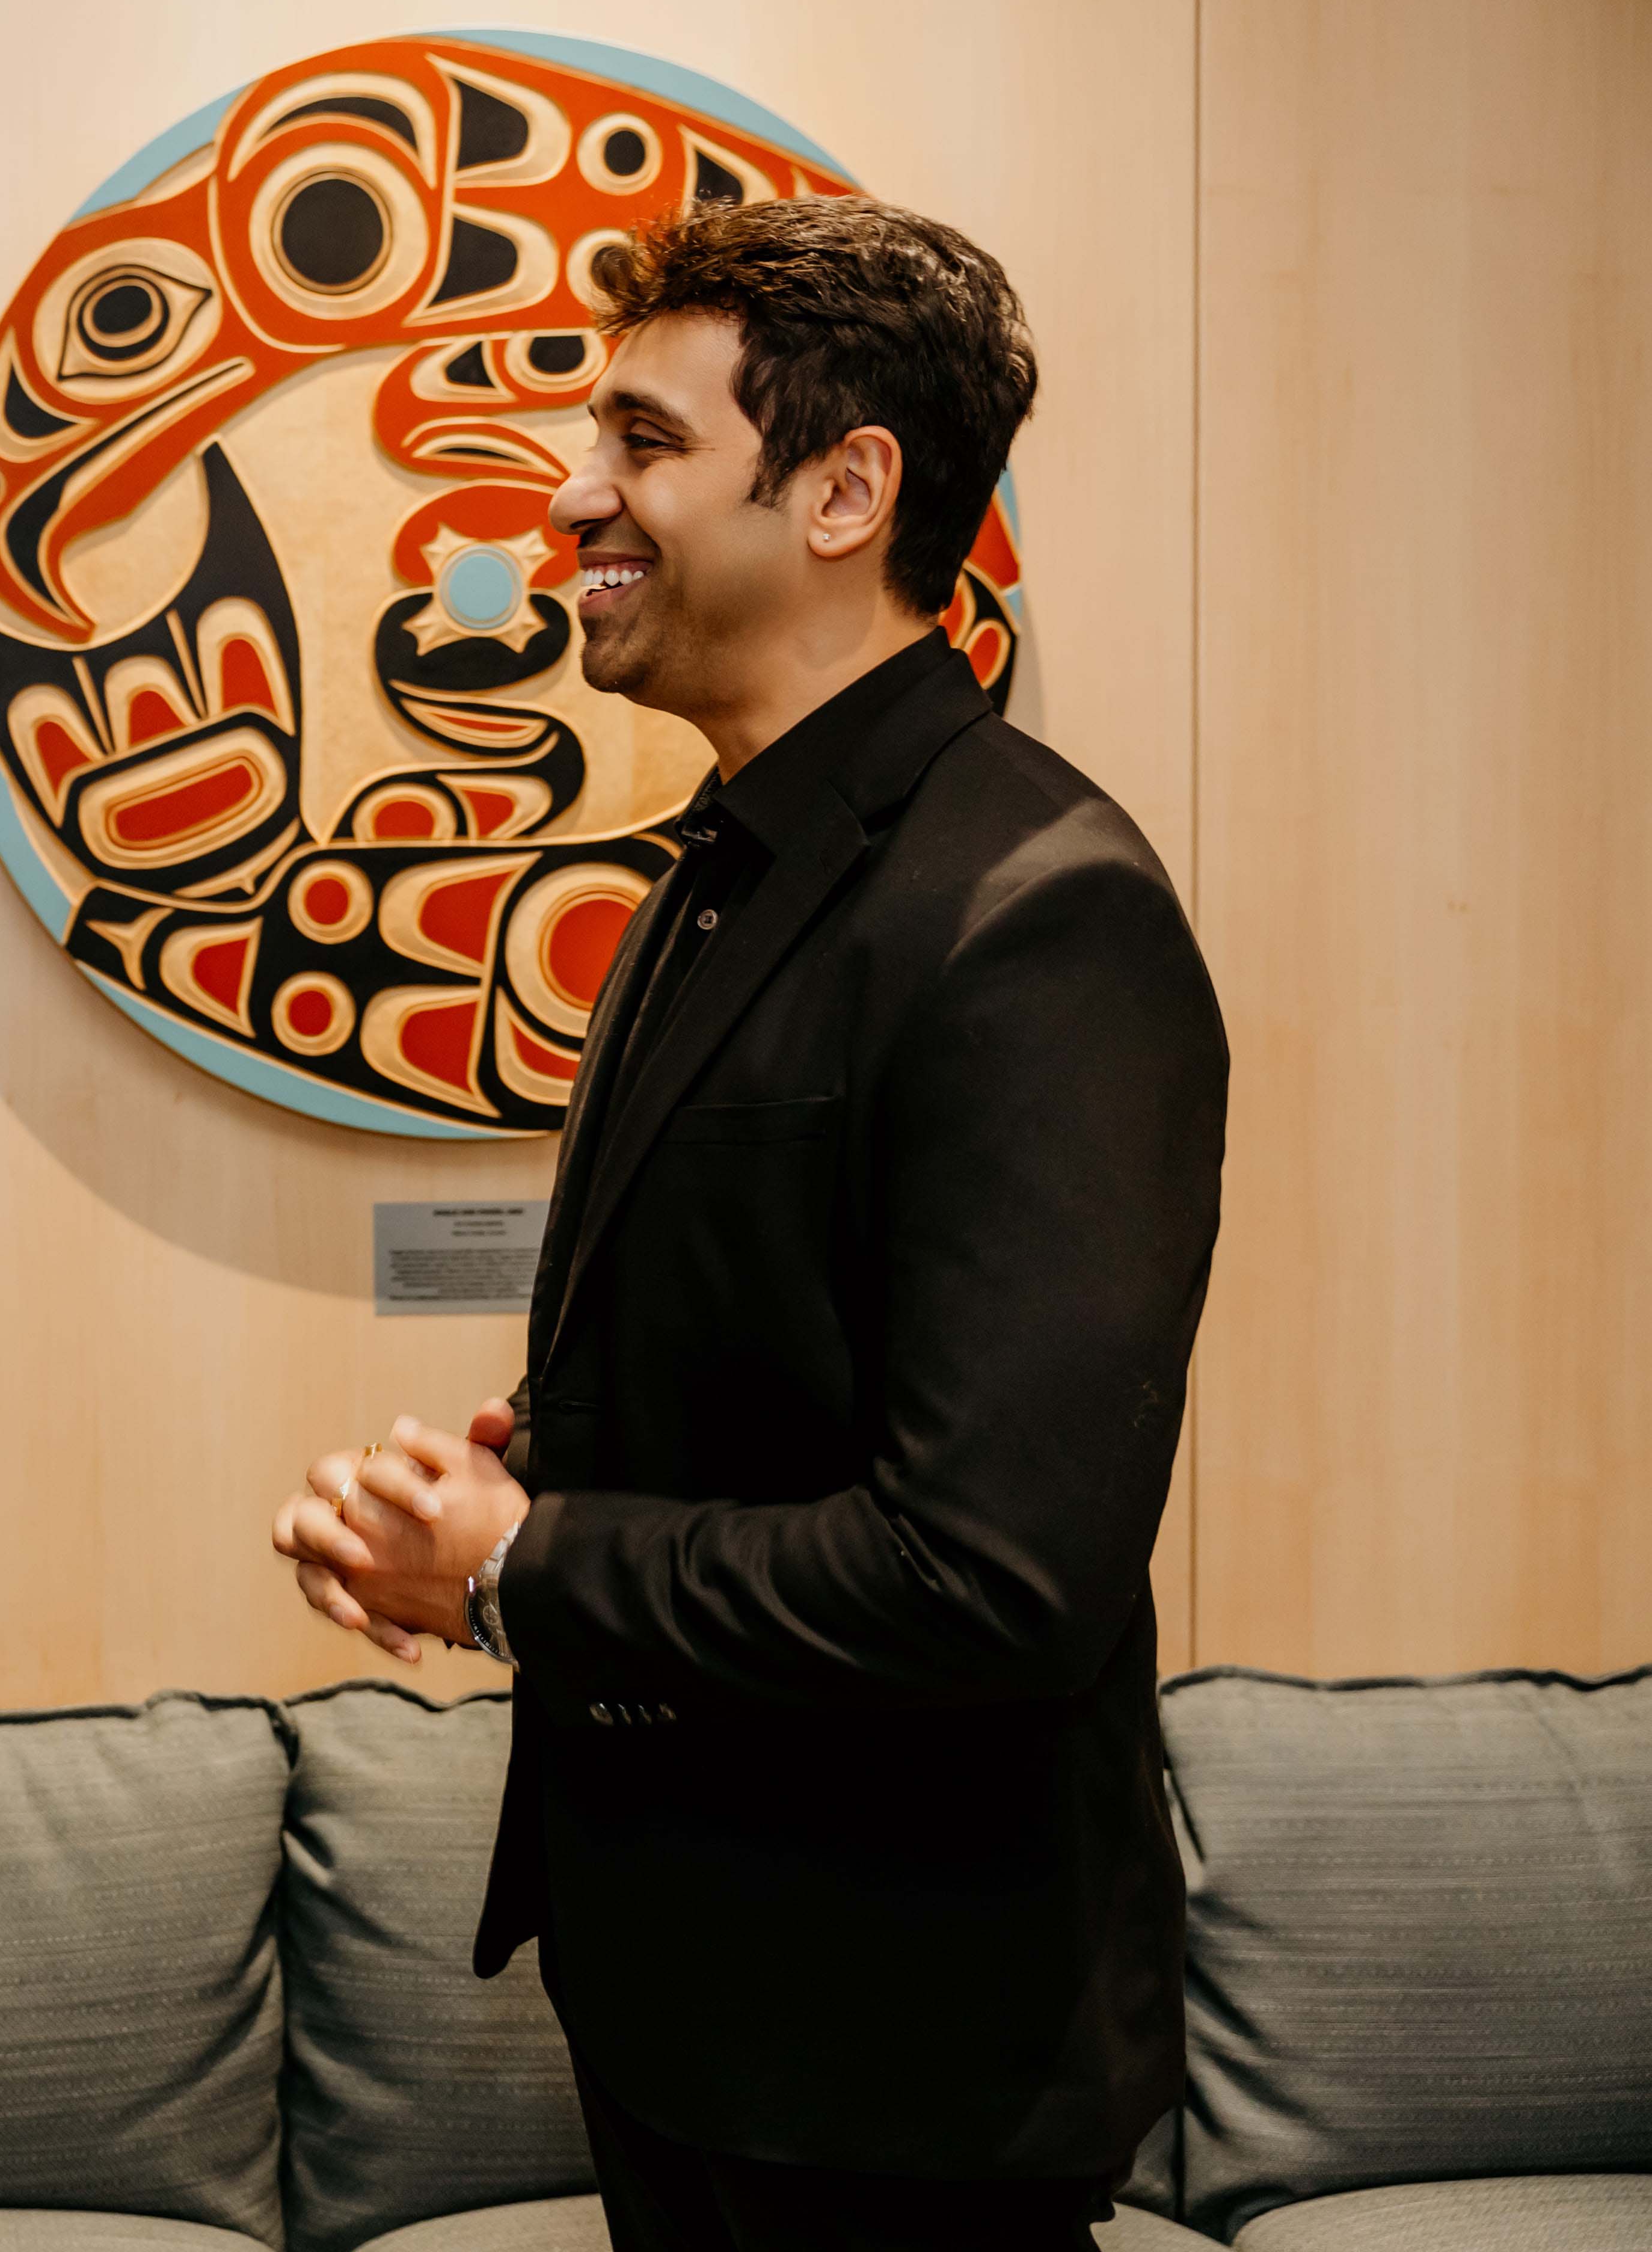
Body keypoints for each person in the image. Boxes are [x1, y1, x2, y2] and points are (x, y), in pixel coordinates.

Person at [271, 197, 1226, 2250]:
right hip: (693, 2005)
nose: (568, 496)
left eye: (642, 440)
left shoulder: (1039, 912)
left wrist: (521, 1566)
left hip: (898, 2059)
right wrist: (499, 1485)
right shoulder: (720, 869)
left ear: (844, 493)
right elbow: (780, 1361)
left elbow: (992, 1577)